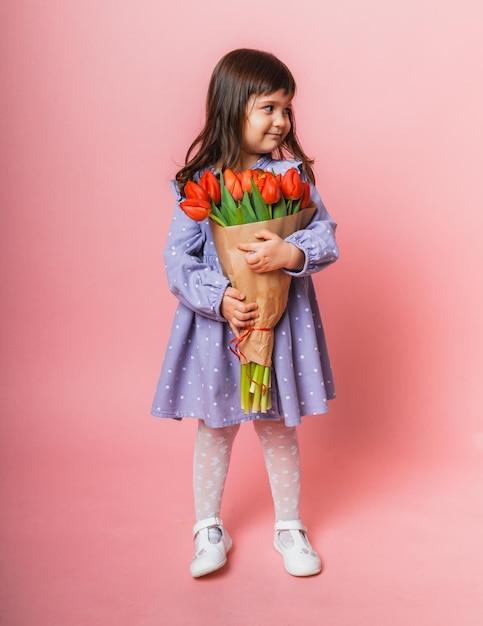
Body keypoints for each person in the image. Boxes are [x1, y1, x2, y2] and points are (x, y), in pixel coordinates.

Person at [151, 48, 338, 578]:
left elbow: (326, 233)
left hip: (279, 330)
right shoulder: (200, 183)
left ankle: (288, 526)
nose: (281, 121)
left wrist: (293, 253)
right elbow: (175, 260)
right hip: (221, 331)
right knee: (216, 429)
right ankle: (208, 525)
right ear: (233, 109)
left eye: (287, 110)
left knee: (279, 427)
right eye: (269, 108)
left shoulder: (294, 176)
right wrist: (217, 297)